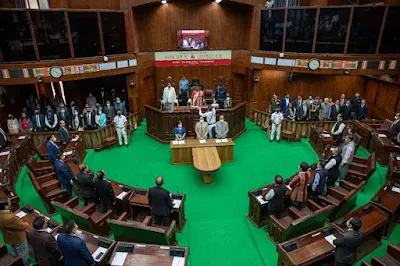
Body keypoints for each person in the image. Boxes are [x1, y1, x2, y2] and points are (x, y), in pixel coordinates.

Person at [0, 198, 30, 265]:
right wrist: (26, 224)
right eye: (9, 202)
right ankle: (24, 263)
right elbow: (22, 226)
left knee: (14, 248)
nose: (10, 202)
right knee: (23, 253)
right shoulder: (10, 218)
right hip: (18, 237)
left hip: (9, 236)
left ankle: (15, 258)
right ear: (5, 206)